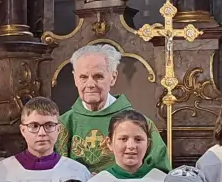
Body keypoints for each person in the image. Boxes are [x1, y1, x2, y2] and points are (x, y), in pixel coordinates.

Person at [57, 45, 168, 174]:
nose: (90, 84)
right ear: (75, 79)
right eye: (83, 77)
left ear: (113, 77)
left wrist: (110, 179)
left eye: (98, 76)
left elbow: (160, 173)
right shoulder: (62, 124)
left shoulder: (140, 124)